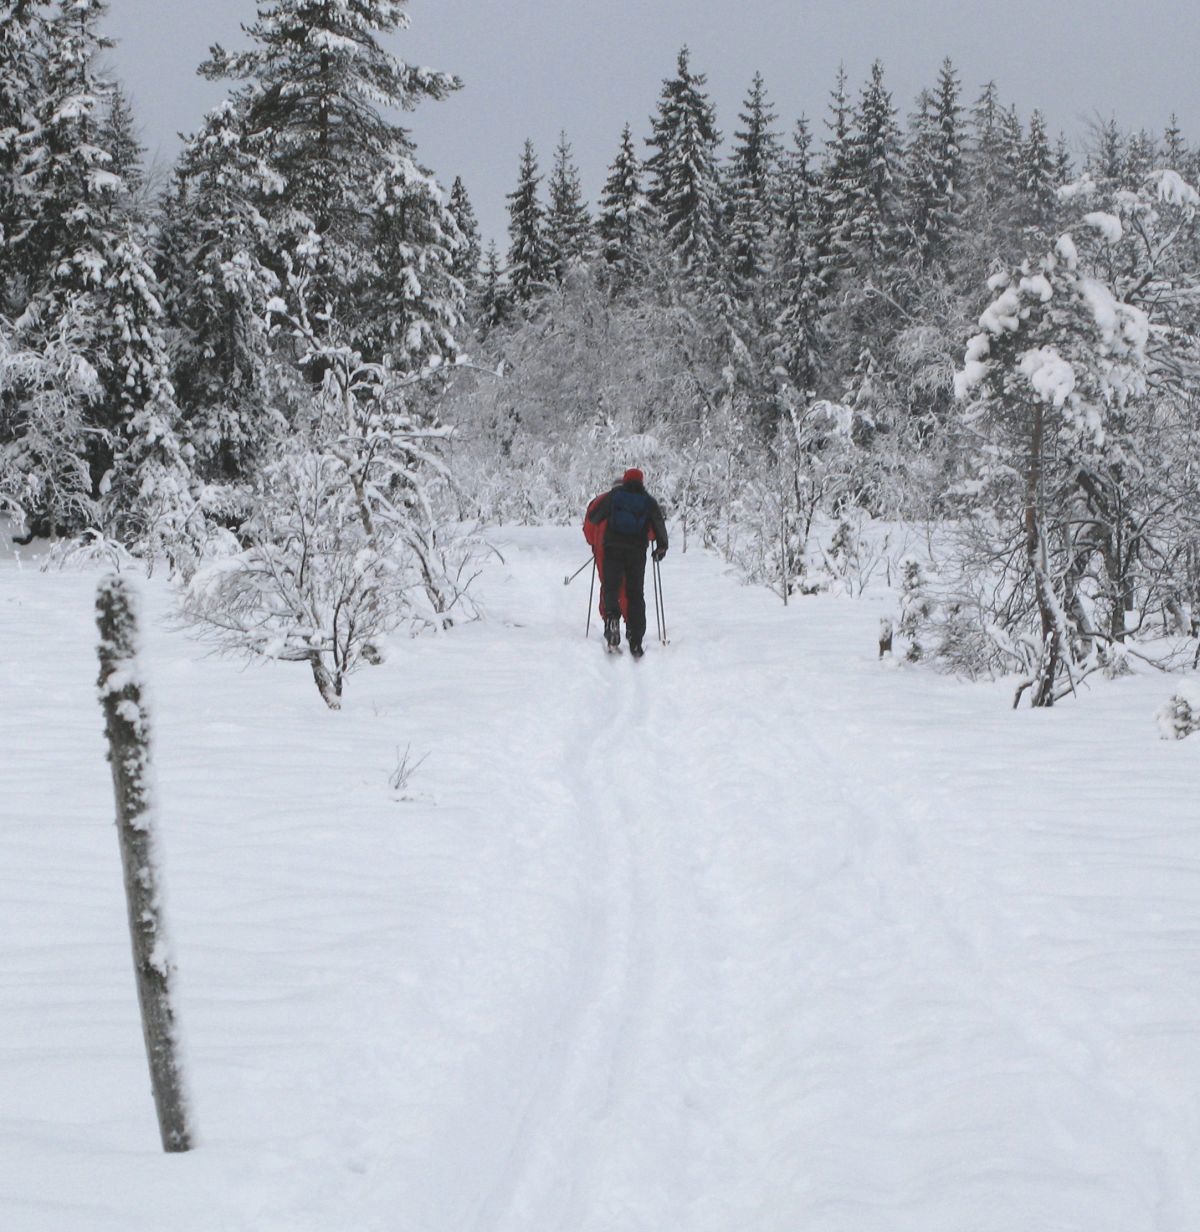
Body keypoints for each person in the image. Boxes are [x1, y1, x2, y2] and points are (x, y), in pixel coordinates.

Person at [585, 467, 668, 656]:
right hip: (637, 552)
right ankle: (636, 637)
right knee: (635, 592)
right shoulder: (647, 500)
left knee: (611, 587)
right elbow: (659, 525)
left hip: (612, 549)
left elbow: (594, 516)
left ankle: (612, 621)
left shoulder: (614, 496)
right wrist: (661, 548)